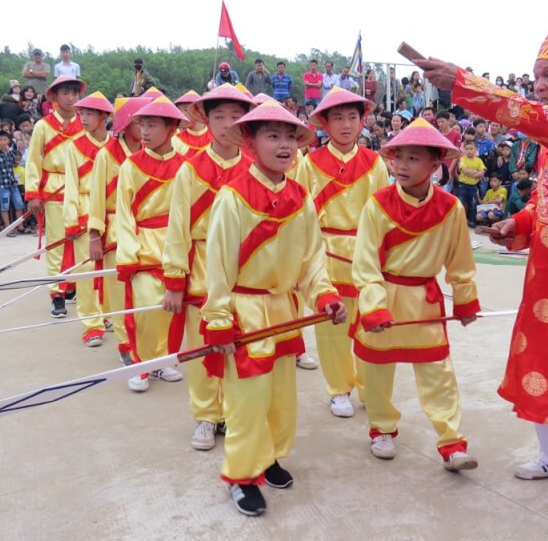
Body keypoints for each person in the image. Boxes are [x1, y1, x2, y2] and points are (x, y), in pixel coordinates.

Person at [416, 8, 548, 541]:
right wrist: (520, 221)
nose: (539, 82)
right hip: (547, 270)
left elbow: (527, 115)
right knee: (543, 359)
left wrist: (464, 85)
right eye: (536, 74)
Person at [200, 100, 346, 516]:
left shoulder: (302, 197)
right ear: (250, 142)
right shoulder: (232, 197)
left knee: (282, 398)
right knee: (248, 400)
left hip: (284, 311)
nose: (284, 145)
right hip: (244, 311)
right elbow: (219, 263)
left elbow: (313, 259)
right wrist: (218, 318)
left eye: (289, 137)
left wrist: (326, 294)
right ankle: (241, 474)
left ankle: (269, 458)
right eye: (272, 136)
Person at [349, 116, 480, 470]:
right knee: (377, 369)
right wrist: (373, 307)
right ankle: (382, 428)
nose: (402, 166)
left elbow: (460, 262)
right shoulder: (377, 204)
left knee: (439, 371)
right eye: (398, 157)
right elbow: (364, 264)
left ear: (436, 165)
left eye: (413, 158)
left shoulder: (451, 208)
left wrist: (465, 298)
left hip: (424, 301)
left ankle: (451, 441)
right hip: (385, 296)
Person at [162, 84, 256, 451]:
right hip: (200, 266)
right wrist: (174, 279)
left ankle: (233, 413)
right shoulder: (190, 169)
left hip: (244, 269)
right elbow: (177, 228)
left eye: (236, 117)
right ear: (206, 120)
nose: (227, 124)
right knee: (202, 346)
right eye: (219, 116)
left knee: (238, 346)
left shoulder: (254, 166)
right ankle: (205, 415)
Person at [295, 87, 390, 418]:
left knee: (368, 324)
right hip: (326, 252)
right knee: (331, 326)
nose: (346, 125)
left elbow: (382, 211)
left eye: (353, 117)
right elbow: (301, 214)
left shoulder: (374, 162)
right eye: (338, 118)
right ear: (325, 123)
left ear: (362, 121)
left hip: (364, 253)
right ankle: (338, 388)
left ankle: (366, 384)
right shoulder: (309, 163)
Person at [114, 96, 189, 392]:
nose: (144, 131)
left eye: (152, 124)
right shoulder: (130, 166)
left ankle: (162, 361)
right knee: (145, 308)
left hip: (176, 246)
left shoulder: (186, 167)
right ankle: (142, 364)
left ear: (171, 128)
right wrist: (128, 254)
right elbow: (124, 214)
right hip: (144, 245)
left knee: (169, 311)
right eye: (142, 124)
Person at [88, 96, 149, 367]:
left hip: (147, 232)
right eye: (141, 121)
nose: (146, 127)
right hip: (114, 230)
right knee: (120, 291)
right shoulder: (106, 154)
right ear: (127, 124)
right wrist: (93, 234)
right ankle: (126, 346)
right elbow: (97, 197)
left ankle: (148, 348)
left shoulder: (150, 151)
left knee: (145, 293)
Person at [25, 76, 85, 317]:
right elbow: (33, 161)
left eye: (74, 93)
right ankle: (57, 293)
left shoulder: (85, 123)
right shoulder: (43, 126)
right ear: (55, 97)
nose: (71, 98)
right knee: (57, 243)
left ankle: (80, 286)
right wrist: (33, 193)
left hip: (82, 189)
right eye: (66, 93)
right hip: (55, 188)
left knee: (81, 243)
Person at [63, 92, 113, 348]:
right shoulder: (73, 146)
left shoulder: (115, 144)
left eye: (89, 113)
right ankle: (91, 324)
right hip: (84, 207)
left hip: (111, 211)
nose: (82, 117)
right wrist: (71, 219)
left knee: (111, 268)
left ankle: (107, 314)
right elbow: (71, 184)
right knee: (86, 270)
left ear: (103, 116)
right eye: (81, 112)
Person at [0, 130, 26, 237]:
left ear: (9, 140)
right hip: (2, 185)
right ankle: (7, 228)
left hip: (13, 184)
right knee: (5, 207)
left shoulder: (11, 154)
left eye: (5, 139)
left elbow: (14, 166)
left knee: (19, 205)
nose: (2, 142)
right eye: (0, 140)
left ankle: (19, 226)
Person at [171, 90, 212, 158]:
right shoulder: (175, 140)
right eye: (179, 110)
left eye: (186, 109)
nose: (182, 115)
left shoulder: (216, 139)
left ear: (200, 111)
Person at [456, 140, 484, 227]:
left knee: (473, 204)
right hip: (462, 186)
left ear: (475, 149)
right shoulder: (463, 159)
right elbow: (464, 171)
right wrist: (476, 173)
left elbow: (482, 173)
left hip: (473, 187)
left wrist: (473, 173)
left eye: (471, 149)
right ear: (464, 150)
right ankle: (457, 221)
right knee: (460, 203)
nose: (469, 151)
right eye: (467, 149)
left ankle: (472, 221)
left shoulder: (479, 161)